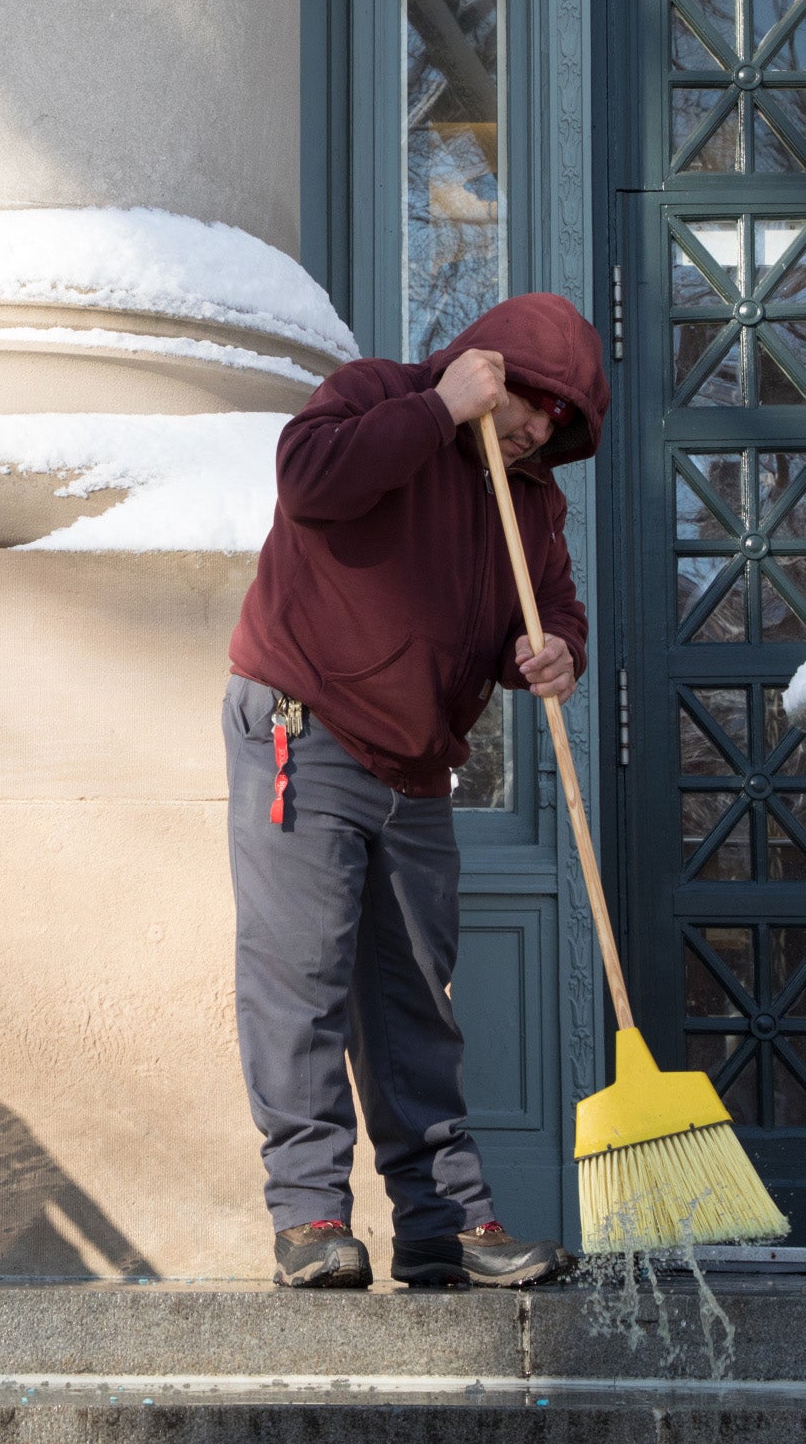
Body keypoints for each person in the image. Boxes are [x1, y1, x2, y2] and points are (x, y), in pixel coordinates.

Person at [222, 291, 607, 1289]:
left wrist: (559, 647)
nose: (535, 428)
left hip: (418, 763)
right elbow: (308, 481)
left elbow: (552, 599)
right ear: (489, 365)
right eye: (531, 400)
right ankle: (310, 1214)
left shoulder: (529, 501)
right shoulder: (373, 396)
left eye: (558, 422)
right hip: (303, 727)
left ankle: (442, 1223)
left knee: (415, 998)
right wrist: (436, 410)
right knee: (302, 975)